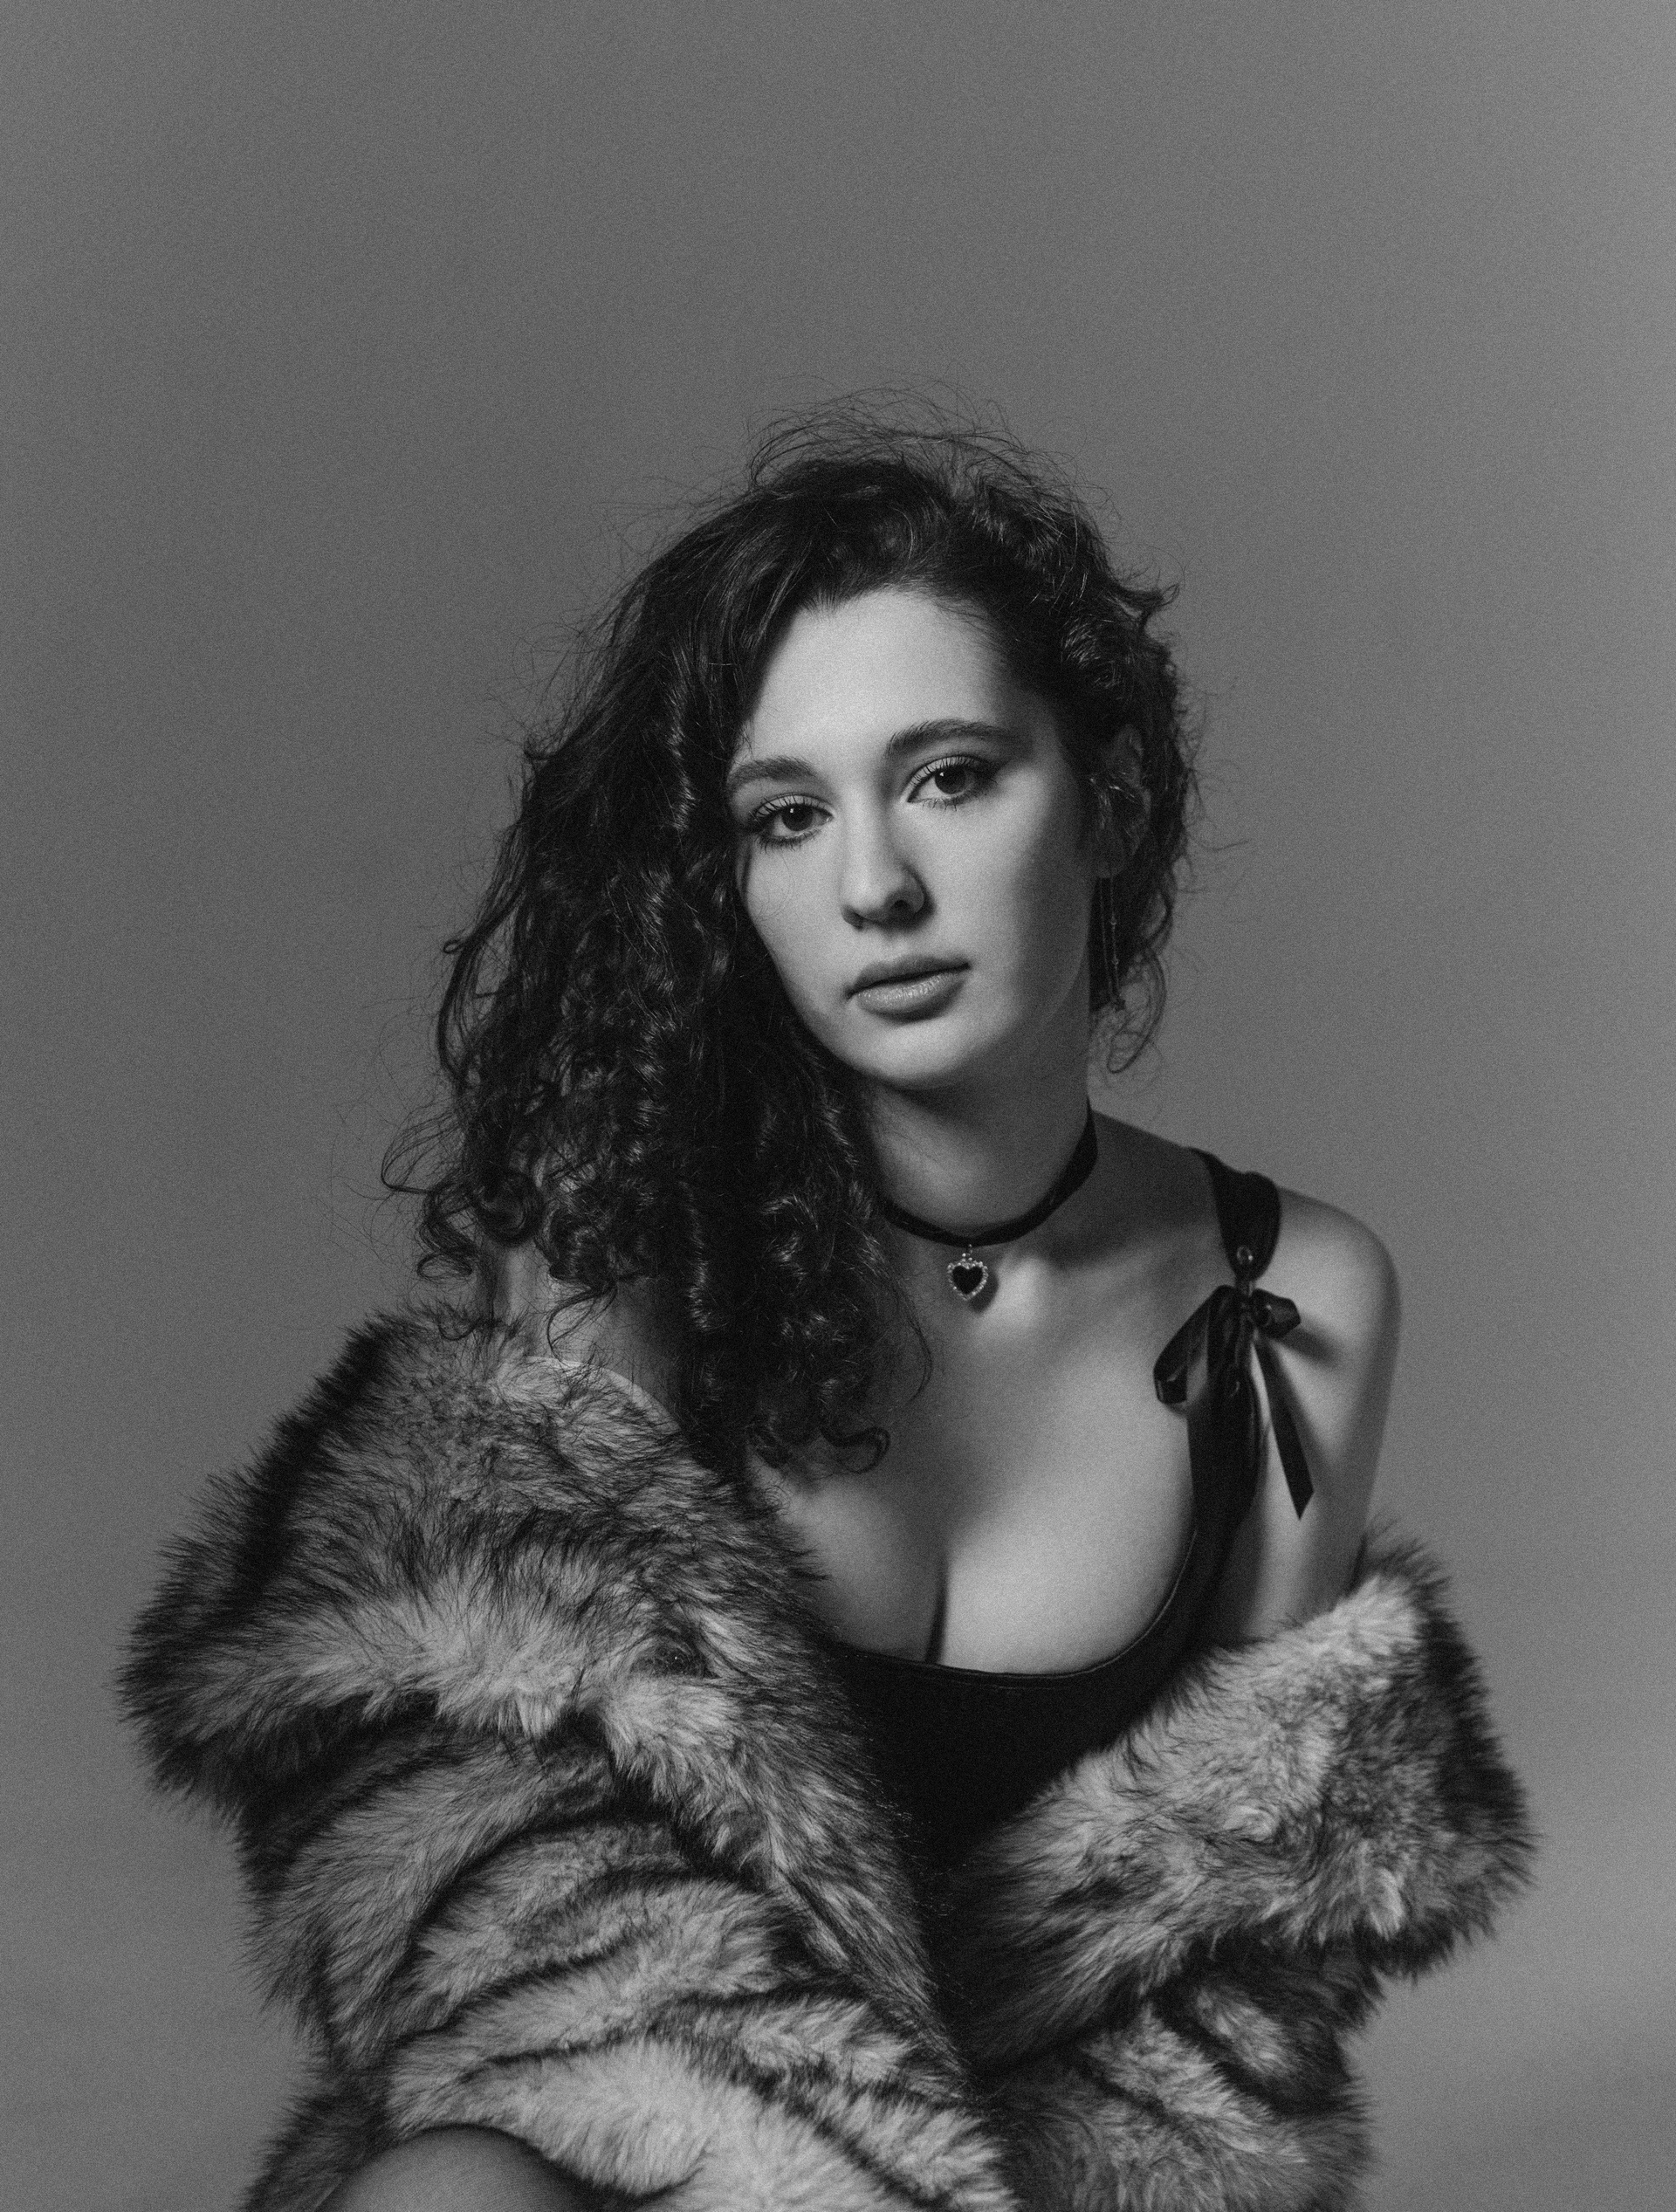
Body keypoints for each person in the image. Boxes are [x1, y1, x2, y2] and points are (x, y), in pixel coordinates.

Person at [124, 417, 1532, 2212]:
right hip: (662, 2138)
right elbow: (541, 1923)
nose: (874, 885)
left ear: (1104, 801)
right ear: (726, 884)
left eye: (947, 777)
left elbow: (1233, 1966)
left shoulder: (1295, 1297)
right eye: (788, 817)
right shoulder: (624, 1259)